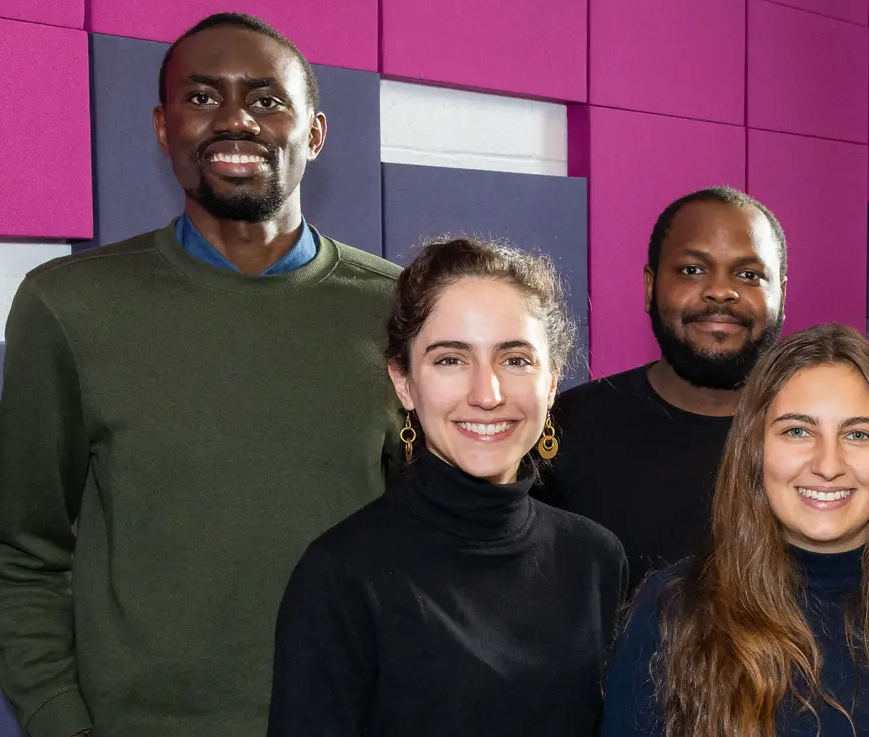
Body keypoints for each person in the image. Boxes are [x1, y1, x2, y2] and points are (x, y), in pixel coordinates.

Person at [0, 12, 403, 737]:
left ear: (316, 133)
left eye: (267, 99)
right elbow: (25, 549)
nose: (235, 118)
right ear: (162, 127)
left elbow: (432, 536)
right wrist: (60, 720)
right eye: (202, 98)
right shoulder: (68, 305)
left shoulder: (401, 309)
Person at [267, 238, 628, 735]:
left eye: (516, 359)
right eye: (451, 360)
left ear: (551, 381)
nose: (487, 394)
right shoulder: (342, 575)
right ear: (404, 382)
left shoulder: (595, 558)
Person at [599, 324, 869, 737]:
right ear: (755, 450)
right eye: (798, 431)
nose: (827, 465)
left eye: (858, 434)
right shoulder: (671, 613)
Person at [543, 187, 787, 588]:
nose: (721, 291)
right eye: (692, 269)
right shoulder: (564, 429)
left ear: (781, 293)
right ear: (649, 285)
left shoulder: (824, 444)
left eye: (749, 275)